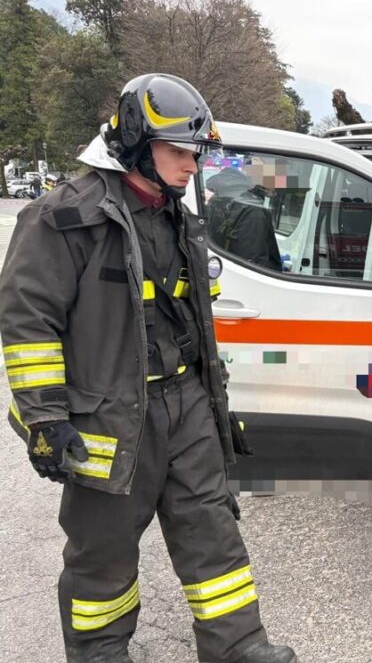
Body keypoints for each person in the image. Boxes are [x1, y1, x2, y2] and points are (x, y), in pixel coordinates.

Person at [0, 74, 297, 663]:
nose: (191, 165)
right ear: (138, 143)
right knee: (102, 555)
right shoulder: (62, 218)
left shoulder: (176, 218)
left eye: (195, 153)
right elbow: (27, 323)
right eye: (178, 152)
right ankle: (100, 654)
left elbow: (194, 326)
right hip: (106, 414)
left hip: (183, 405)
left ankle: (239, 647)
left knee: (212, 534)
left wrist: (217, 408)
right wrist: (45, 420)